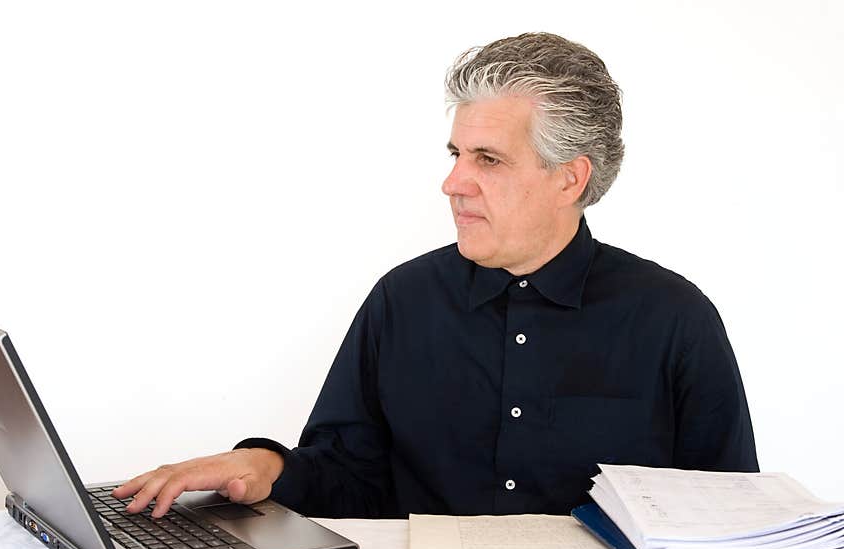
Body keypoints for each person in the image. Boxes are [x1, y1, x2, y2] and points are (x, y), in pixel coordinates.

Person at [115, 32, 759, 519]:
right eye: (456, 153)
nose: (453, 182)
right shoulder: (404, 299)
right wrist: (266, 465)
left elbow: (732, 521)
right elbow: (349, 475)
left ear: (570, 177)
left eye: (489, 159)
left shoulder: (675, 320)